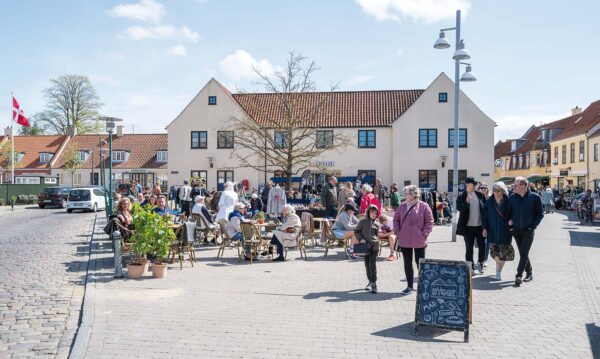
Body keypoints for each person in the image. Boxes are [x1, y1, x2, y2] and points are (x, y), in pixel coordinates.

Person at [393, 185, 434, 295]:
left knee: (420, 263)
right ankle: (410, 286)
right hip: (405, 239)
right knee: (407, 263)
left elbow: (430, 221)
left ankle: (422, 286)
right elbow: (395, 220)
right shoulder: (402, 206)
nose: (405, 195)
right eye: (405, 193)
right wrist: (398, 232)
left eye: (407, 193)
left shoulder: (424, 206)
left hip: (419, 240)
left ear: (414, 194)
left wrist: (424, 234)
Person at [506, 176, 544, 287]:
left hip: (528, 231)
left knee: (523, 253)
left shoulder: (535, 197)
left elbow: (540, 214)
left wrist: (532, 227)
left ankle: (518, 275)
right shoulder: (512, 198)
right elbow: (508, 213)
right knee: (523, 253)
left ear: (523, 186)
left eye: (516, 185)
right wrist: (510, 225)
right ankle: (530, 272)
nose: (514, 187)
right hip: (516, 230)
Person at [482, 182, 514, 280]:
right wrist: (484, 228)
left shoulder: (509, 201)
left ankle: (498, 272)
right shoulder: (489, 202)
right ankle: (498, 265)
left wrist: (512, 220)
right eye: (495, 190)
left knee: (503, 254)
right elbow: (484, 216)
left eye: (499, 190)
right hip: (492, 230)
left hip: (505, 231)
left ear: (503, 191)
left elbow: (514, 213)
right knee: (493, 252)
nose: (496, 192)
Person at [456, 177, 487, 274]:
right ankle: (470, 267)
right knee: (469, 248)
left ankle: (481, 263)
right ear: (467, 185)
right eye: (473, 185)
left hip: (480, 226)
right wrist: (466, 202)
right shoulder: (461, 196)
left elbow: (485, 211)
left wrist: (485, 227)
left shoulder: (480, 195)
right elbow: (460, 208)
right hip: (468, 228)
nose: (474, 186)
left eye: (475, 185)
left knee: (482, 246)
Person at [354, 205, 380, 294]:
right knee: (367, 265)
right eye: (372, 212)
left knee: (372, 265)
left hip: (374, 247)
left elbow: (377, 236)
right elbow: (356, 231)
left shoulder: (376, 224)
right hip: (364, 246)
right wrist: (360, 239)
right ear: (368, 213)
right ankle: (370, 280)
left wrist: (377, 244)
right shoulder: (362, 222)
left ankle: (374, 284)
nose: (373, 214)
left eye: (375, 213)